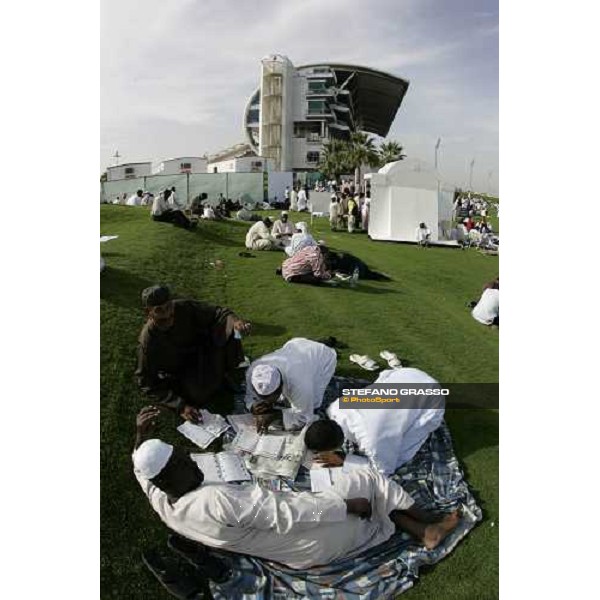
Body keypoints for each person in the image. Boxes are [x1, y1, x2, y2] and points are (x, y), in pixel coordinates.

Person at [133, 407, 461, 570]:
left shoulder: (163, 501)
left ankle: (421, 529)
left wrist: (140, 436)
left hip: (293, 545)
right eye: (182, 464)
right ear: (167, 477)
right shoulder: (216, 500)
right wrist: (347, 506)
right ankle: (428, 524)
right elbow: (293, 512)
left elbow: (141, 471)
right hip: (315, 540)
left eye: (184, 458)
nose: (192, 464)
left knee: (362, 492)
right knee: (368, 483)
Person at [135, 285, 251, 421]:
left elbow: (218, 313)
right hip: (182, 370)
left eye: (168, 307)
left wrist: (236, 323)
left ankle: (226, 373)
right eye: (159, 310)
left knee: (231, 331)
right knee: (199, 395)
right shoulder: (148, 341)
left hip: (202, 350)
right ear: (148, 312)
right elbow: (146, 382)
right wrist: (180, 406)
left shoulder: (184, 307)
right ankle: (217, 378)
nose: (167, 314)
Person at [306, 368, 445, 475]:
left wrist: (346, 461)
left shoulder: (372, 440)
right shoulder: (335, 407)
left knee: (401, 455)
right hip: (406, 374)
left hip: (433, 396)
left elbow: (384, 471)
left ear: (336, 445)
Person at [244, 338, 337, 431]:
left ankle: (325, 345)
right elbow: (250, 395)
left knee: (314, 404)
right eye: (263, 398)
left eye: (270, 399)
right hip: (296, 344)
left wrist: (276, 416)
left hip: (324, 358)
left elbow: (304, 417)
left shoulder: (300, 384)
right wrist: (252, 406)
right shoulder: (254, 370)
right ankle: (319, 342)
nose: (267, 403)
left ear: (280, 387)